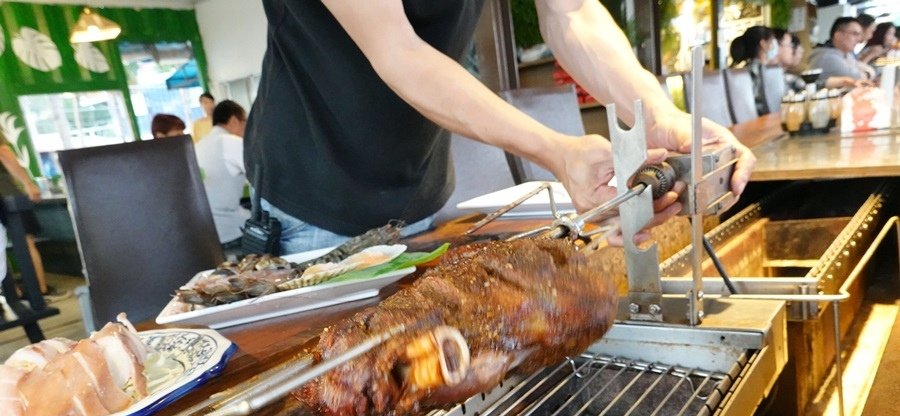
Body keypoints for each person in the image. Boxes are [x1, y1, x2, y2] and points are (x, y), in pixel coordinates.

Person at [244, 0, 755, 255]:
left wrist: (656, 114)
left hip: (418, 186)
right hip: (316, 194)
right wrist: (555, 150)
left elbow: (572, 11)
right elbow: (397, 51)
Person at [0, 132, 54, 298]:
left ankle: (12, 293)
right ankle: (39, 290)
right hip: (5, 192)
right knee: (26, 241)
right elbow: (3, 152)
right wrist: (28, 183)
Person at [195, 100, 250, 254]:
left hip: (207, 234)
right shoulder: (231, 142)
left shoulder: (199, 145)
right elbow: (259, 177)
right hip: (231, 232)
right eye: (244, 122)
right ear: (233, 120)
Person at [809, 17, 875, 89]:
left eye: (859, 35)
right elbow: (858, 78)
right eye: (855, 34)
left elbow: (864, 71)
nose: (859, 39)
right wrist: (867, 74)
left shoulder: (846, 54)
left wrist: (866, 73)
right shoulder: (827, 57)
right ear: (838, 35)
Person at [729, 25, 777, 115]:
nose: (774, 47)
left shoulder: (743, 70)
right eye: (772, 42)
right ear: (763, 44)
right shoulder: (758, 71)